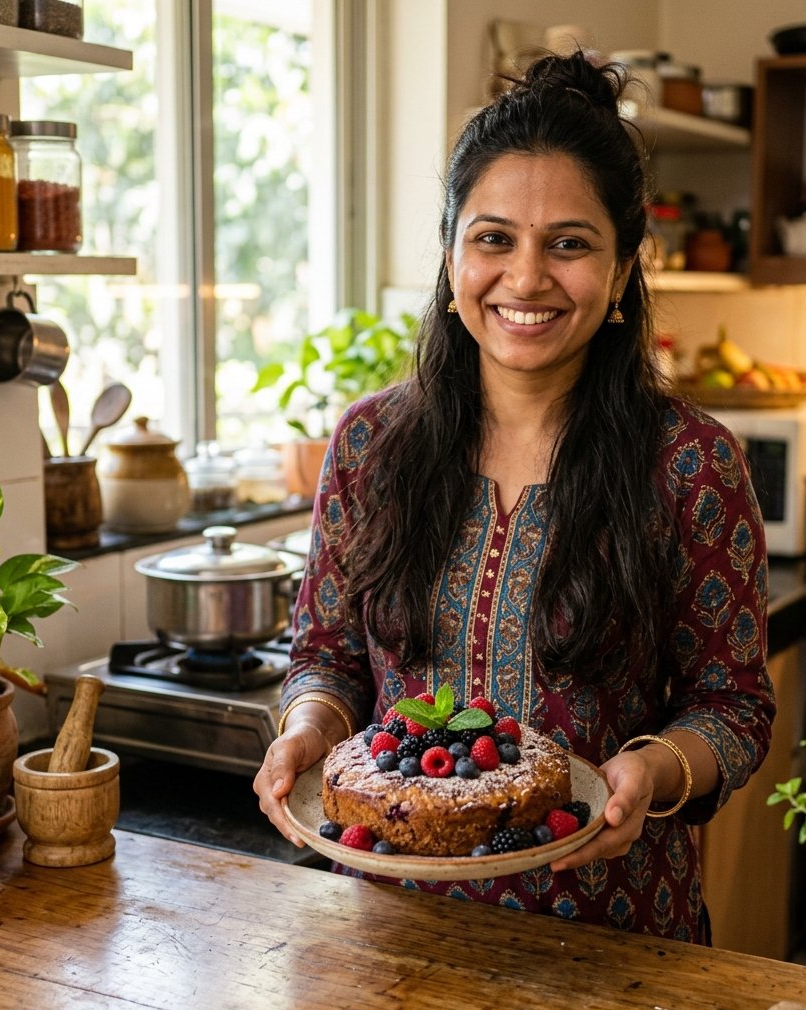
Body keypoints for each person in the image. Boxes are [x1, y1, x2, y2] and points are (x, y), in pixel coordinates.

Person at [254, 50, 775, 943]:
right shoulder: (369, 445)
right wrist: (307, 731)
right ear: (453, 255)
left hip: (610, 938)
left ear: (619, 273)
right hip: (382, 929)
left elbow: (733, 706)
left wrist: (650, 772)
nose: (527, 278)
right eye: (494, 237)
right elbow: (328, 653)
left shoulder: (691, 461)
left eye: (569, 244)